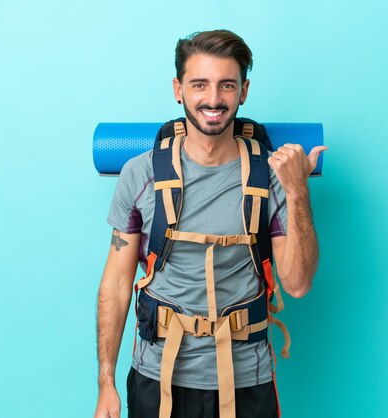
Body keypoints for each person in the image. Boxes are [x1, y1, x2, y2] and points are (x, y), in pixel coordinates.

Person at [93, 29, 327, 418]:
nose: (214, 99)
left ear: (244, 91)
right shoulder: (140, 175)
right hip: (157, 376)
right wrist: (106, 384)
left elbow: (299, 284)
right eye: (199, 85)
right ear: (178, 89)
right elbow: (116, 285)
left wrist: (298, 190)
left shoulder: (272, 178)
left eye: (226, 86)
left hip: (247, 380)